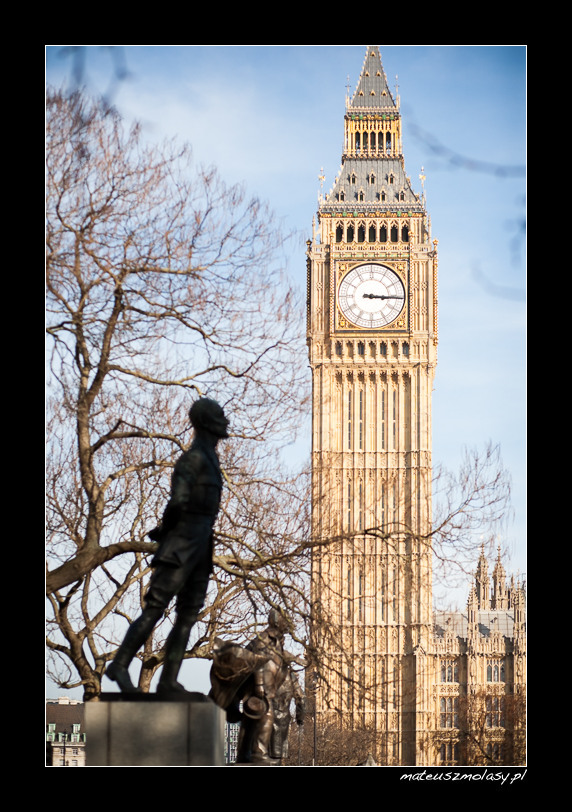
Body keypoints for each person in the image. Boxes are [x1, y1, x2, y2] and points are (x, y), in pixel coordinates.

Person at [106, 397, 229, 694]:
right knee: (156, 608)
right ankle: (120, 665)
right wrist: (164, 531)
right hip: (182, 542)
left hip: (202, 542)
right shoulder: (193, 459)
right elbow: (177, 503)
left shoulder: (211, 460)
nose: (225, 422)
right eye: (219, 417)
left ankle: (168, 680)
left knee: (187, 615)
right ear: (207, 424)